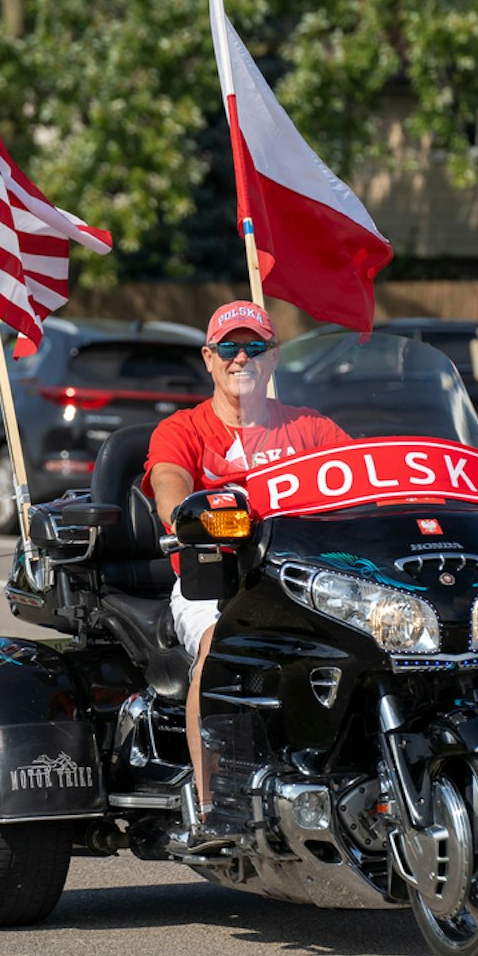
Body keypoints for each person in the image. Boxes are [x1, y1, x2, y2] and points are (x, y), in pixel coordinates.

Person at [143, 300, 349, 835]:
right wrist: (186, 516)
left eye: (254, 347)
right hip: (213, 579)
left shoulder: (311, 428)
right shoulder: (183, 430)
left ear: (273, 357)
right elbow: (169, 485)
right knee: (220, 645)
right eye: (230, 348)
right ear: (209, 358)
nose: (243, 359)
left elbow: (365, 485)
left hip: (306, 582)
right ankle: (217, 807)